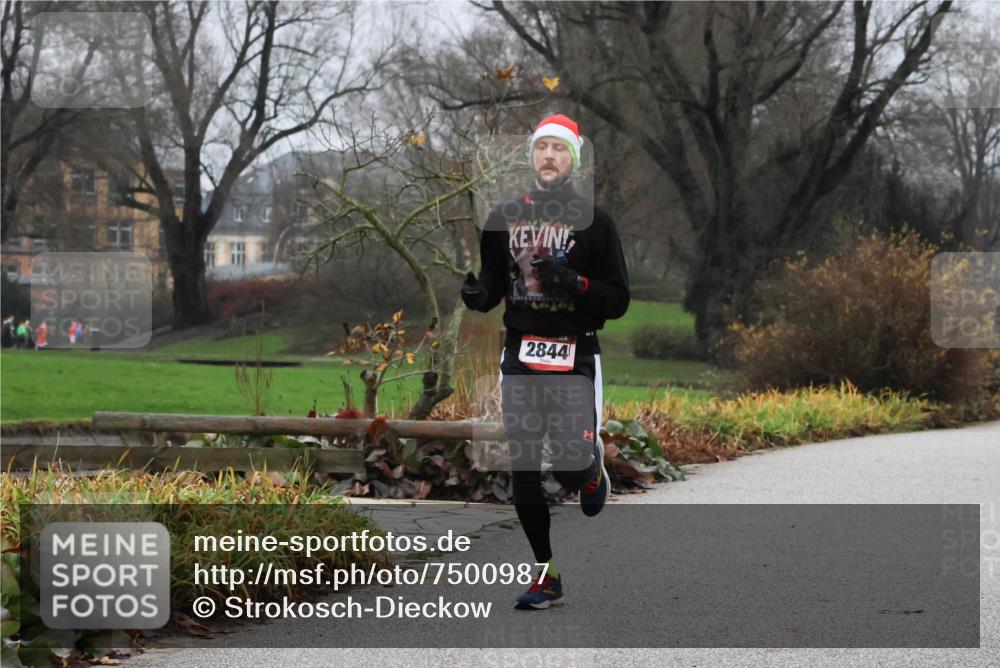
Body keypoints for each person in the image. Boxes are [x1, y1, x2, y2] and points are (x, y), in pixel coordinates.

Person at [461, 113, 630, 610]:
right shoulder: (504, 216)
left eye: (559, 148)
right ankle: (546, 575)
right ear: (531, 156)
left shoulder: (597, 223)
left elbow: (618, 300)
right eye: (541, 148)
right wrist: (478, 295)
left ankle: (590, 470)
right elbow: (494, 283)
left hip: (575, 355)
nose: (549, 156)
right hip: (520, 355)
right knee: (525, 469)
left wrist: (575, 283)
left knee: (571, 469)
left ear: (573, 159)